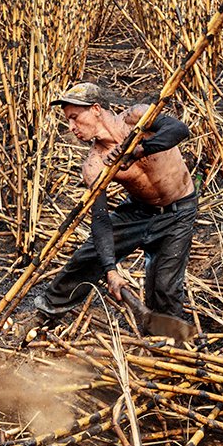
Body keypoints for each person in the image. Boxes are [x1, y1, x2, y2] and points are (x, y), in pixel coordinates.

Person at [30, 81, 199, 334]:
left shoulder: (137, 118)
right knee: (87, 258)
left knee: (164, 288)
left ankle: (170, 342)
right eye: (68, 121)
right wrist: (111, 271)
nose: (72, 128)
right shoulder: (95, 164)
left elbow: (179, 130)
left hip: (179, 212)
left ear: (96, 108)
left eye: (75, 118)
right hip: (138, 212)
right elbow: (100, 221)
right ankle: (44, 315)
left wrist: (137, 151)